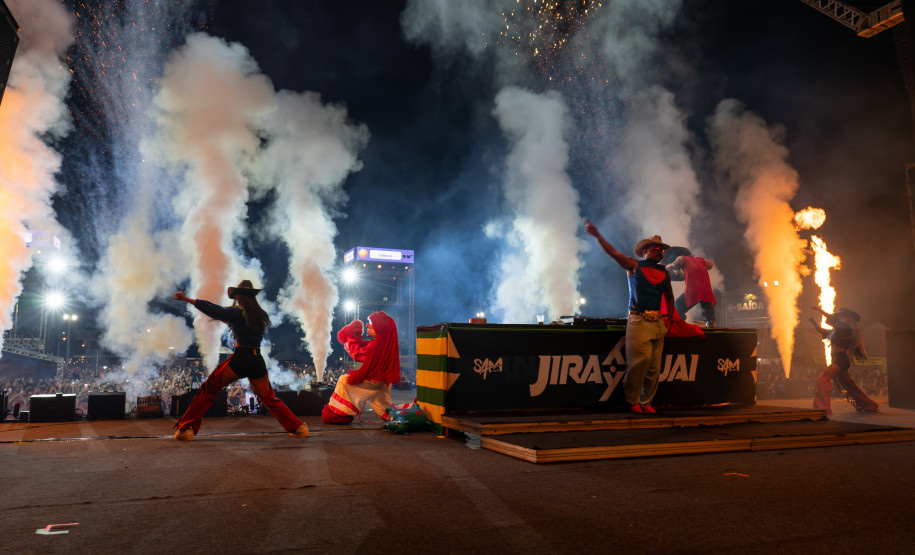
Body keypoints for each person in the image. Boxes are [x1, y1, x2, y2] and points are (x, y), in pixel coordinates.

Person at [172, 280, 309, 440]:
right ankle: (298, 427)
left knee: (209, 389)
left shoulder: (238, 313)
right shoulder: (260, 315)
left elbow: (215, 310)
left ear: (239, 296)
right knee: (269, 398)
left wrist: (189, 300)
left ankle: (186, 428)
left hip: (241, 357)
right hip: (257, 359)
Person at [585, 219, 676, 414]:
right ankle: (633, 401)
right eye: (655, 249)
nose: (659, 252)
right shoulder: (634, 266)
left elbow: (669, 297)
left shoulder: (664, 272)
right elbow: (614, 253)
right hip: (639, 320)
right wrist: (598, 235)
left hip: (658, 322)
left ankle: (647, 402)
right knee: (639, 362)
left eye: (661, 250)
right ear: (645, 251)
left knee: (654, 367)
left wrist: (669, 319)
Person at [322, 311, 401, 423]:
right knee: (385, 407)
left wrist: (350, 335)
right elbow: (363, 346)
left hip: (374, 381)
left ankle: (339, 414)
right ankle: (401, 414)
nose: (368, 325)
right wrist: (356, 337)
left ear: (379, 328)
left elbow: (357, 353)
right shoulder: (381, 344)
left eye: (371, 323)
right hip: (381, 381)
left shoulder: (376, 346)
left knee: (344, 381)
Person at [808, 306, 878, 414]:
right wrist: (812, 321)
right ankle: (869, 405)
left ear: (846, 317)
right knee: (849, 385)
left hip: (841, 360)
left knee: (823, 377)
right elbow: (820, 330)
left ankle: (823, 408)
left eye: (840, 316)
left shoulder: (846, 326)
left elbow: (831, 319)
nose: (838, 317)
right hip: (839, 360)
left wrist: (819, 309)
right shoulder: (838, 331)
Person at [665, 247, 717, 327]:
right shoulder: (700, 259)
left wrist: (669, 266)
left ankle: (681, 323)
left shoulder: (682, 258)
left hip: (693, 290)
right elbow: (710, 264)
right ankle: (710, 323)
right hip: (706, 290)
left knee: (676, 306)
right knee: (707, 308)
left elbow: (677, 263)